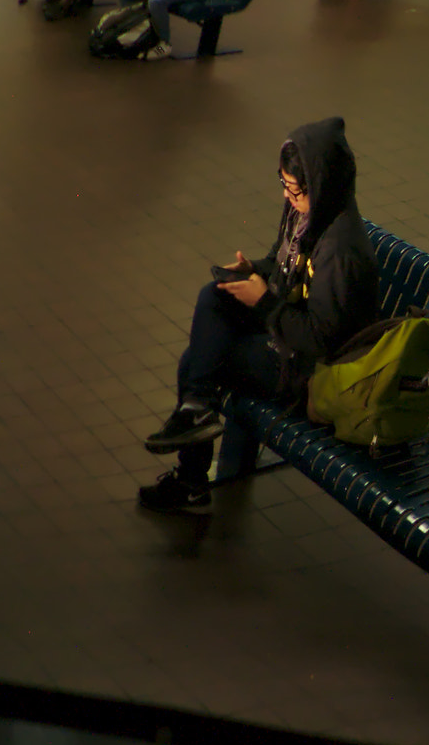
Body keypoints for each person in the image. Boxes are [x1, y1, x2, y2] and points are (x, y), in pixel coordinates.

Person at [138, 116, 381, 515]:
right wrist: (257, 271)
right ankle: (197, 409)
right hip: (288, 330)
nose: (288, 198)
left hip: (316, 372)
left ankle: (191, 477)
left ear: (320, 186)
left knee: (200, 363)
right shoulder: (307, 215)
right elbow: (282, 266)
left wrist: (263, 302)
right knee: (214, 297)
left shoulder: (341, 251)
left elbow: (321, 340)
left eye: (295, 190)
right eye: (283, 185)